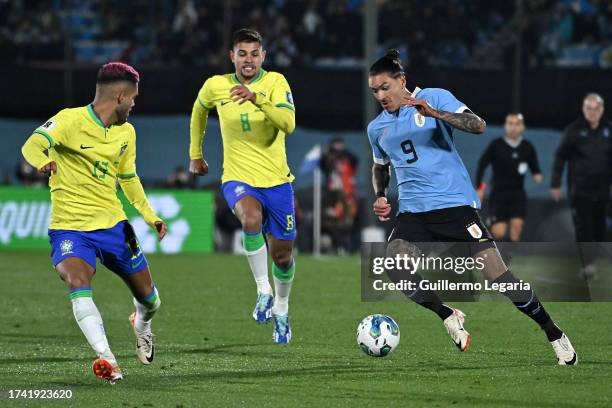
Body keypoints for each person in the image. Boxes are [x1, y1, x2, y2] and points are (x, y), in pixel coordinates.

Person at [367, 49, 577, 365]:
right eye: (374, 90)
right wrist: (381, 195)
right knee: (395, 266)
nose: (380, 95)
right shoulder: (377, 128)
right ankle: (447, 314)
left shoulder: (434, 97)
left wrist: (436, 113)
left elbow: (476, 125)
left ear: (402, 81)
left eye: (385, 87)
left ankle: (554, 333)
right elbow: (379, 166)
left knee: (500, 278)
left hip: (454, 205)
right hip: (413, 212)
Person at [21, 62, 167, 383]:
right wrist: (43, 160)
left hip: (116, 226)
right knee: (77, 282)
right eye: (133, 98)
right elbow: (32, 144)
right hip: (70, 228)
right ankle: (107, 359)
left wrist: (149, 215)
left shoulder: (127, 133)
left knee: (151, 299)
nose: (134, 104)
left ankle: (142, 323)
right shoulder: (70, 120)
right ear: (119, 96)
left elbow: (128, 178)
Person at [189, 28, 296, 344]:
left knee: (283, 257)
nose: (248, 60)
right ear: (231, 56)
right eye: (242, 53)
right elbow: (198, 110)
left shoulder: (276, 83)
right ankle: (263, 290)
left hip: (277, 182)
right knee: (250, 220)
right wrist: (196, 154)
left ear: (263, 56)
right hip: (238, 178)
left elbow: (288, 124)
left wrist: (259, 99)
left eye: (254, 53)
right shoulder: (216, 85)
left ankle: (282, 307)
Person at [551, 93, 612, 278]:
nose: (592, 112)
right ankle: (588, 265)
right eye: (588, 108)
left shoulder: (609, 130)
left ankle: (597, 259)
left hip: (603, 189)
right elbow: (560, 157)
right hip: (579, 189)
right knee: (584, 227)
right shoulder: (573, 130)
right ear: (584, 110)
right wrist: (555, 183)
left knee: (600, 227)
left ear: (601, 110)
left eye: (596, 109)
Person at [475, 113, 542, 241]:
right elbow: (482, 165)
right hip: (498, 195)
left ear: (523, 127)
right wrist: (480, 187)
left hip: (518, 195)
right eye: (510, 123)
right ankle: (489, 234)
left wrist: (536, 173)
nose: (513, 127)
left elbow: (534, 165)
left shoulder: (527, 147)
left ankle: (507, 259)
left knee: (516, 231)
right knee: (499, 232)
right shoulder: (496, 145)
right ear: (505, 126)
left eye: (517, 124)